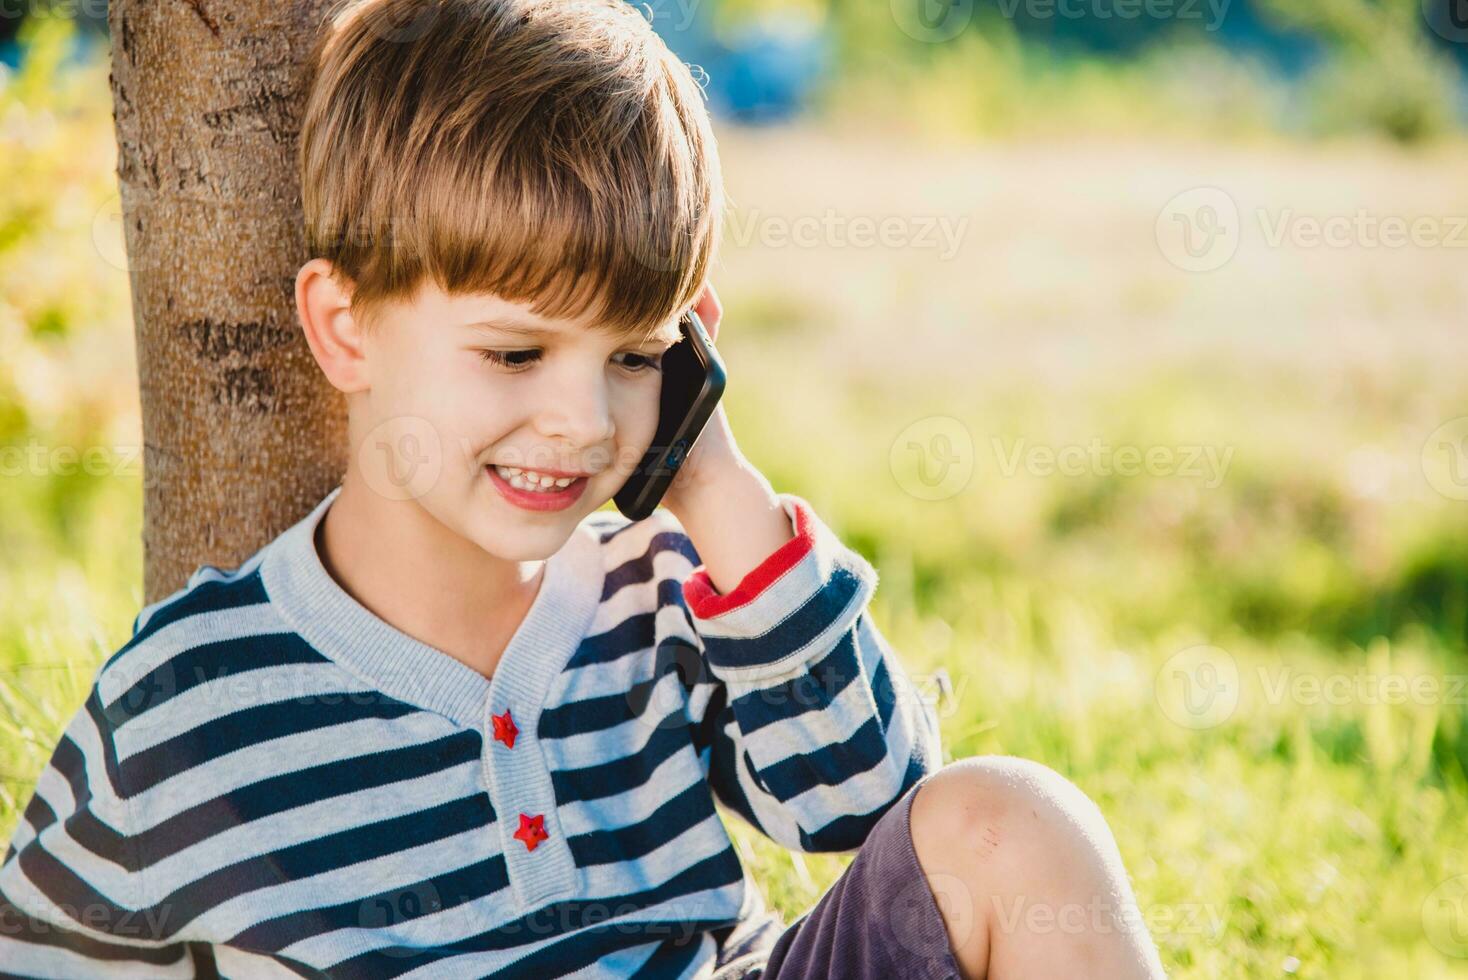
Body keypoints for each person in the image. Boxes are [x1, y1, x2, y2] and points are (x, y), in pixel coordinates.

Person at [0, 1, 1168, 976]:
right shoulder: (186, 702)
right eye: (515, 353)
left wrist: (710, 479)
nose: (582, 419)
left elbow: (873, 799)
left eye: (635, 355)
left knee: (1015, 819)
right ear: (342, 327)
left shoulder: (664, 595)